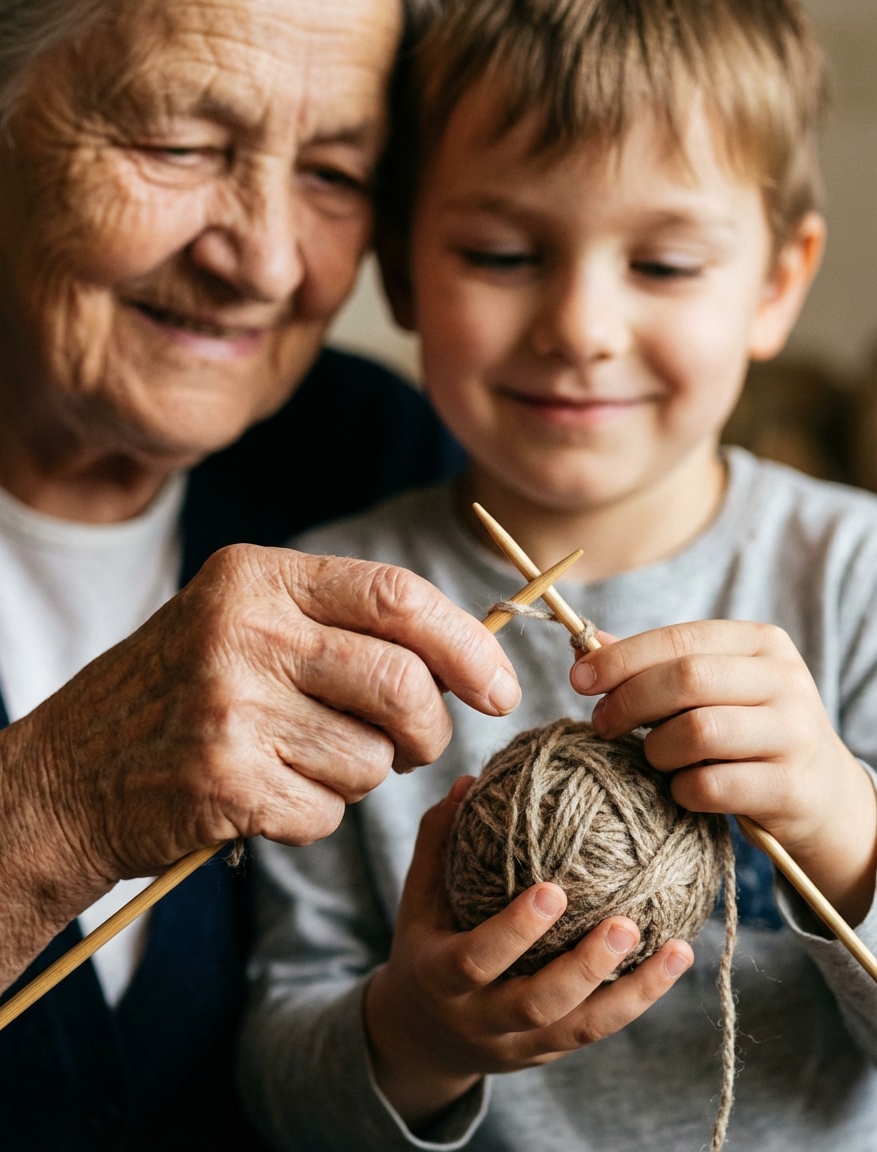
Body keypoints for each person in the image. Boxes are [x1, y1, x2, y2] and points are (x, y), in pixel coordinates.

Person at [239, 1, 877, 1148]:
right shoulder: (333, 610)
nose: (579, 325)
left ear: (778, 284)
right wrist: (414, 1039)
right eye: (501, 254)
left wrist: (847, 830)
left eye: (665, 262)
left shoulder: (855, 577)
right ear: (397, 266)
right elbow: (278, 1080)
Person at [0, 0, 525, 1147]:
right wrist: (62, 796)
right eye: (177, 144)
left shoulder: (386, 465)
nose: (263, 262)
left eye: (332, 172)